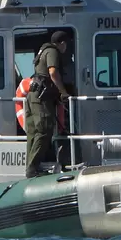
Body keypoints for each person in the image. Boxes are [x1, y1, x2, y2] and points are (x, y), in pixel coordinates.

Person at [25, 31, 71, 178]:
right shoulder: (52, 51)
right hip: (41, 97)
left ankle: (30, 168)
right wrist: (63, 92)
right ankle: (32, 168)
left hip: (33, 95)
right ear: (62, 43)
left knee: (34, 132)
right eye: (66, 45)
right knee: (44, 130)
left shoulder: (42, 50)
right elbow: (52, 72)